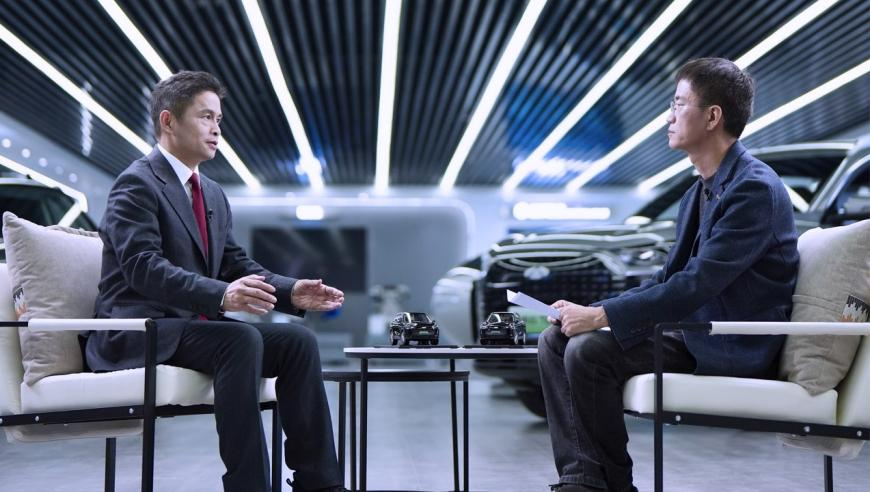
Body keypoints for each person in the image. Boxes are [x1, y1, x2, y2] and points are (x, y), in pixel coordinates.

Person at [539, 58, 799, 492]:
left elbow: (696, 284)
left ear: (712, 117)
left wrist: (600, 318)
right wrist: (592, 310)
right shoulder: (698, 192)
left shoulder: (754, 189)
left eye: (678, 104)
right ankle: (583, 479)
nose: (669, 116)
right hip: (693, 331)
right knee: (555, 340)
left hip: (729, 342)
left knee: (588, 352)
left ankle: (609, 485)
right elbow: (668, 278)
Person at [85, 71, 347, 492]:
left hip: (190, 328)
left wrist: (290, 291)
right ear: (168, 121)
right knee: (238, 339)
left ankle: (320, 484)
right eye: (206, 117)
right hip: (140, 330)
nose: (216, 129)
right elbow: (142, 267)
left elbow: (232, 264)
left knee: (298, 342)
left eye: (219, 119)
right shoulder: (136, 183)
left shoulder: (210, 192)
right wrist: (223, 295)